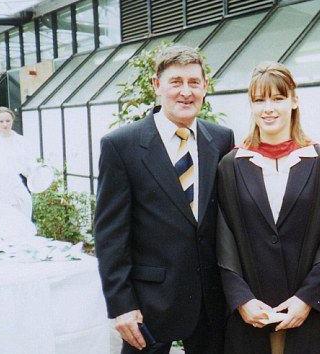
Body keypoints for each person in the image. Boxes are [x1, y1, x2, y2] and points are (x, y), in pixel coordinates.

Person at [94, 45, 234, 354]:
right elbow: (110, 235)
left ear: (205, 87)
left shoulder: (222, 139)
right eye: (176, 82)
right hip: (149, 305)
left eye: (194, 82)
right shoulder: (122, 145)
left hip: (210, 304)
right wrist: (122, 305)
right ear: (157, 86)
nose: (186, 92)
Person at [216, 61, 320, 354]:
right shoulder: (231, 165)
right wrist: (240, 298)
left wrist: (308, 297)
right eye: (259, 100)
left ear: (294, 100)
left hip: (307, 314)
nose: (268, 108)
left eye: (278, 98)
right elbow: (224, 237)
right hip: (251, 314)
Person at [0, 107, 36, 183]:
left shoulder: (22, 141)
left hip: (22, 183)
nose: (5, 124)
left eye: (8, 121)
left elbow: (31, 162)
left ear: (12, 120)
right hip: (0, 184)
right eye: (1, 121)